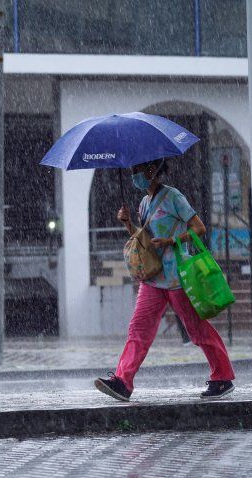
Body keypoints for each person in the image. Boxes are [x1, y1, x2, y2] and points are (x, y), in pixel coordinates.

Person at [95, 159, 235, 401]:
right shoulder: (143, 203)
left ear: (151, 170)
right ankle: (122, 382)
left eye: (136, 170)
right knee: (138, 329)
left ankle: (222, 376)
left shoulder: (173, 197)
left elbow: (199, 228)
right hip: (152, 278)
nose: (134, 175)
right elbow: (145, 242)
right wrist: (129, 224)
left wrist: (172, 241)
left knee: (197, 330)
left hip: (177, 277)